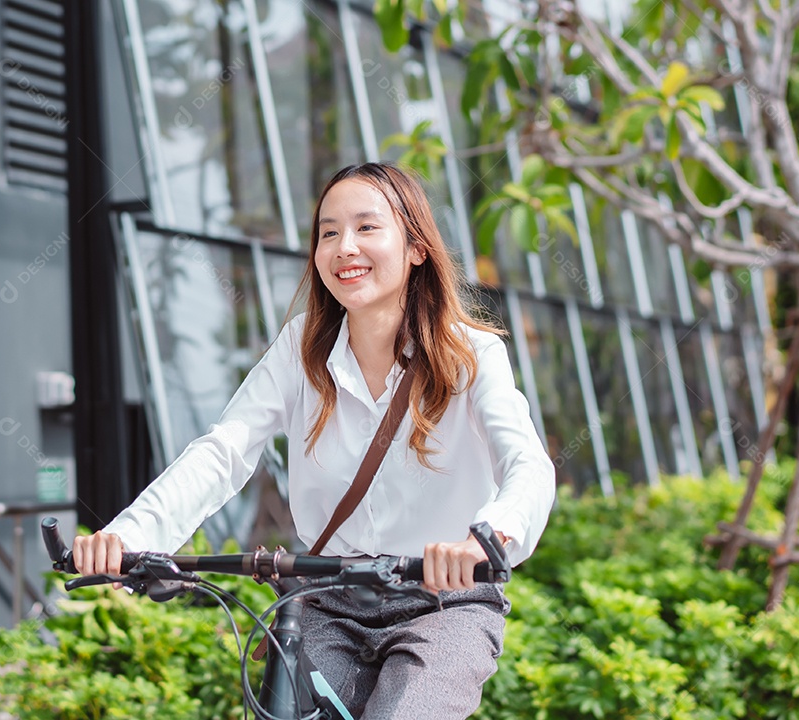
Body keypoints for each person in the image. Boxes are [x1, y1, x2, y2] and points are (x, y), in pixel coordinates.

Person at [73, 162, 555, 719]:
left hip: (442, 602)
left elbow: (528, 464)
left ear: (417, 246)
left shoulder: (469, 354)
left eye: (366, 227)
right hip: (327, 600)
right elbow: (224, 451)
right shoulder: (300, 348)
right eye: (329, 232)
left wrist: (488, 540)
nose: (344, 246)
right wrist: (130, 535)